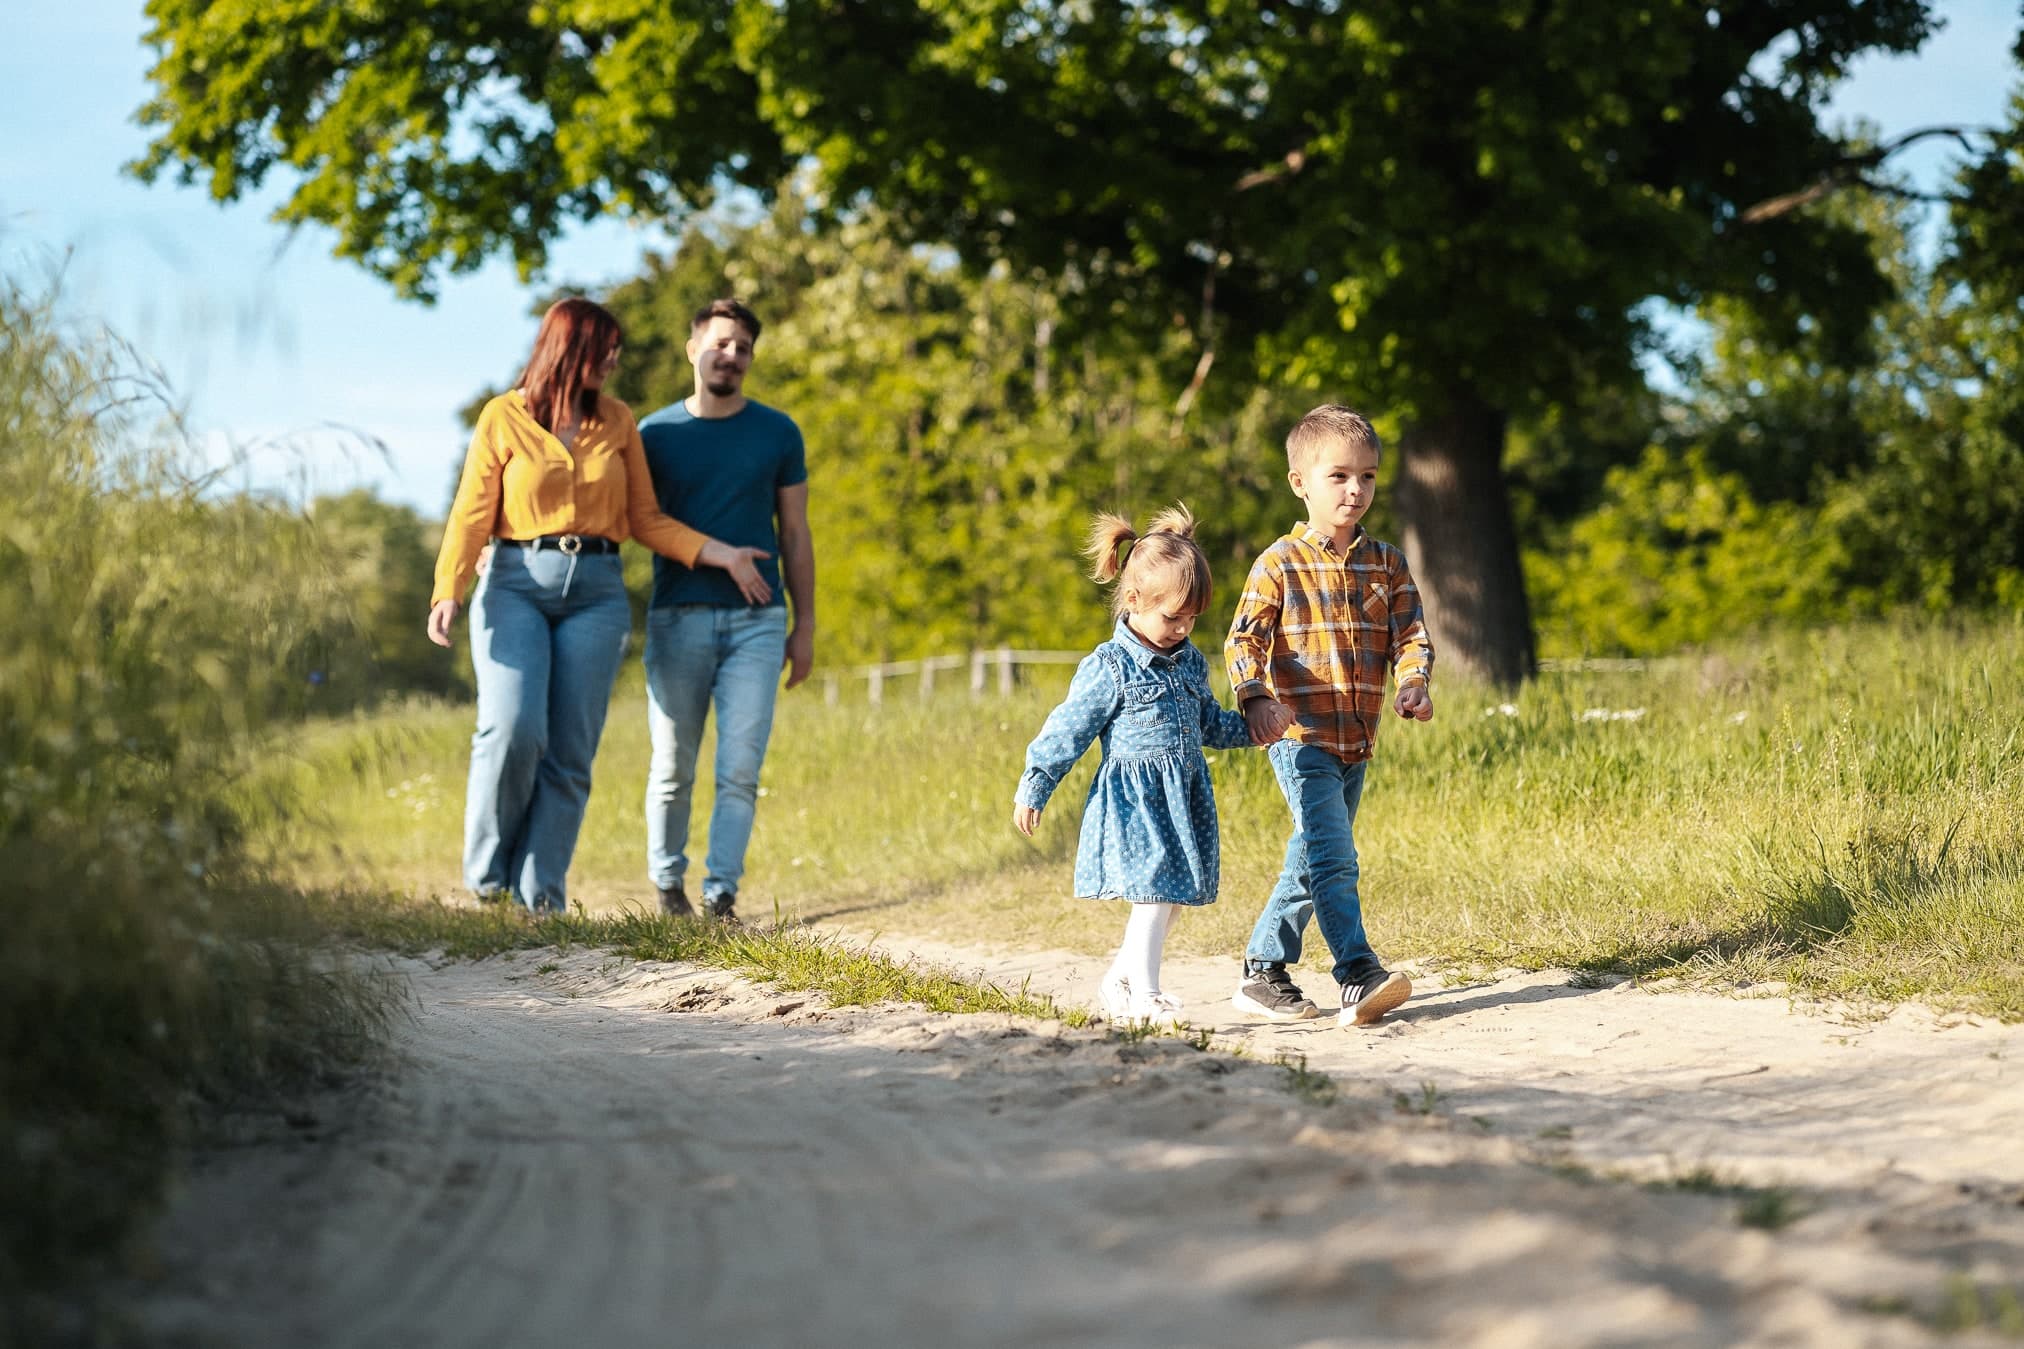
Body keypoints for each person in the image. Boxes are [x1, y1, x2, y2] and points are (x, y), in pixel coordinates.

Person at [427, 297, 771, 915]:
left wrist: (721, 554)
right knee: (512, 730)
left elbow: (645, 518)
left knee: (570, 749)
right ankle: (488, 884)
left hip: (597, 592)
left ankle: (541, 896)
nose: (613, 360)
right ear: (568, 349)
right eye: (603, 349)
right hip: (513, 584)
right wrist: (448, 588)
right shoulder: (503, 417)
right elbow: (472, 511)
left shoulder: (616, 421)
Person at [1012, 505, 1270, 1025]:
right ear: (1133, 601)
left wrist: (1254, 729)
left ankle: (1120, 978)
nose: (1183, 628)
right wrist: (1035, 784)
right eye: (1172, 617)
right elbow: (1067, 729)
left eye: (1192, 618)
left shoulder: (1192, 661)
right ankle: (1146, 994)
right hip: (1136, 803)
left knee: (1171, 900)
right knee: (1155, 895)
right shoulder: (1109, 667)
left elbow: (1208, 725)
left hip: (1184, 796)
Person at [1225, 404, 1435, 1028]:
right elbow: (1242, 642)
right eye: (1339, 476)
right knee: (1334, 856)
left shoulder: (1388, 563)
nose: (1356, 490)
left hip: (1357, 739)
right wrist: (1255, 697)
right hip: (1300, 737)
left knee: (1312, 854)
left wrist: (1415, 682)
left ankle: (1263, 971)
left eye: (1368, 477)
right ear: (1300, 482)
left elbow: (1412, 635)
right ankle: (1358, 972)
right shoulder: (1279, 563)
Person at [637, 298, 815, 923]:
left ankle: (720, 896)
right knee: (672, 766)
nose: (731, 355)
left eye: (742, 347)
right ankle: (667, 890)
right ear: (693, 349)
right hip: (676, 617)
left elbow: (794, 533)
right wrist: (715, 558)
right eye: (720, 343)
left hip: (758, 623)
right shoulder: (653, 435)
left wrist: (805, 626)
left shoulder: (777, 432)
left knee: (739, 767)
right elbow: (642, 523)